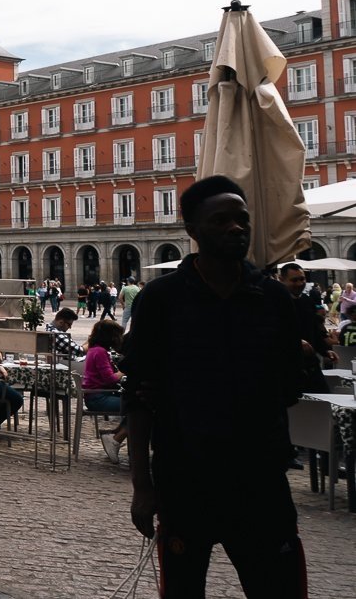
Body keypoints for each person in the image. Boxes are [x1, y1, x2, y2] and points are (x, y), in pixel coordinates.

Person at [122, 175, 307, 597]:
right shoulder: (160, 300)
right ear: (193, 230)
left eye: (242, 219)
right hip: (185, 479)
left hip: (260, 479)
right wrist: (142, 487)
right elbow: (137, 395)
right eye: (220, 220)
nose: (236, 228)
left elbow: (290, 385)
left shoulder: (273, 299)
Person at [280, 263, 337, 394]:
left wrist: (325, 351)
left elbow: (314, 330)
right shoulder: (276, 302)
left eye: (302, 279)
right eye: (294, 280)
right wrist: (296, 341)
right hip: (287, 366)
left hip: (310, 363)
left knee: (323, 398)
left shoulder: (307, 300)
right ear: (282, 280)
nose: (300, 283)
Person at [82, 319, 126, 463]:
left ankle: (115, 435)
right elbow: (110, 379)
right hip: (98, 398)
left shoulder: (94, 349)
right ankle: (116, 439)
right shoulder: (100, 352)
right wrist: (123, 371)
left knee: (132, 404)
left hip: (95, 396)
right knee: (135, 407)